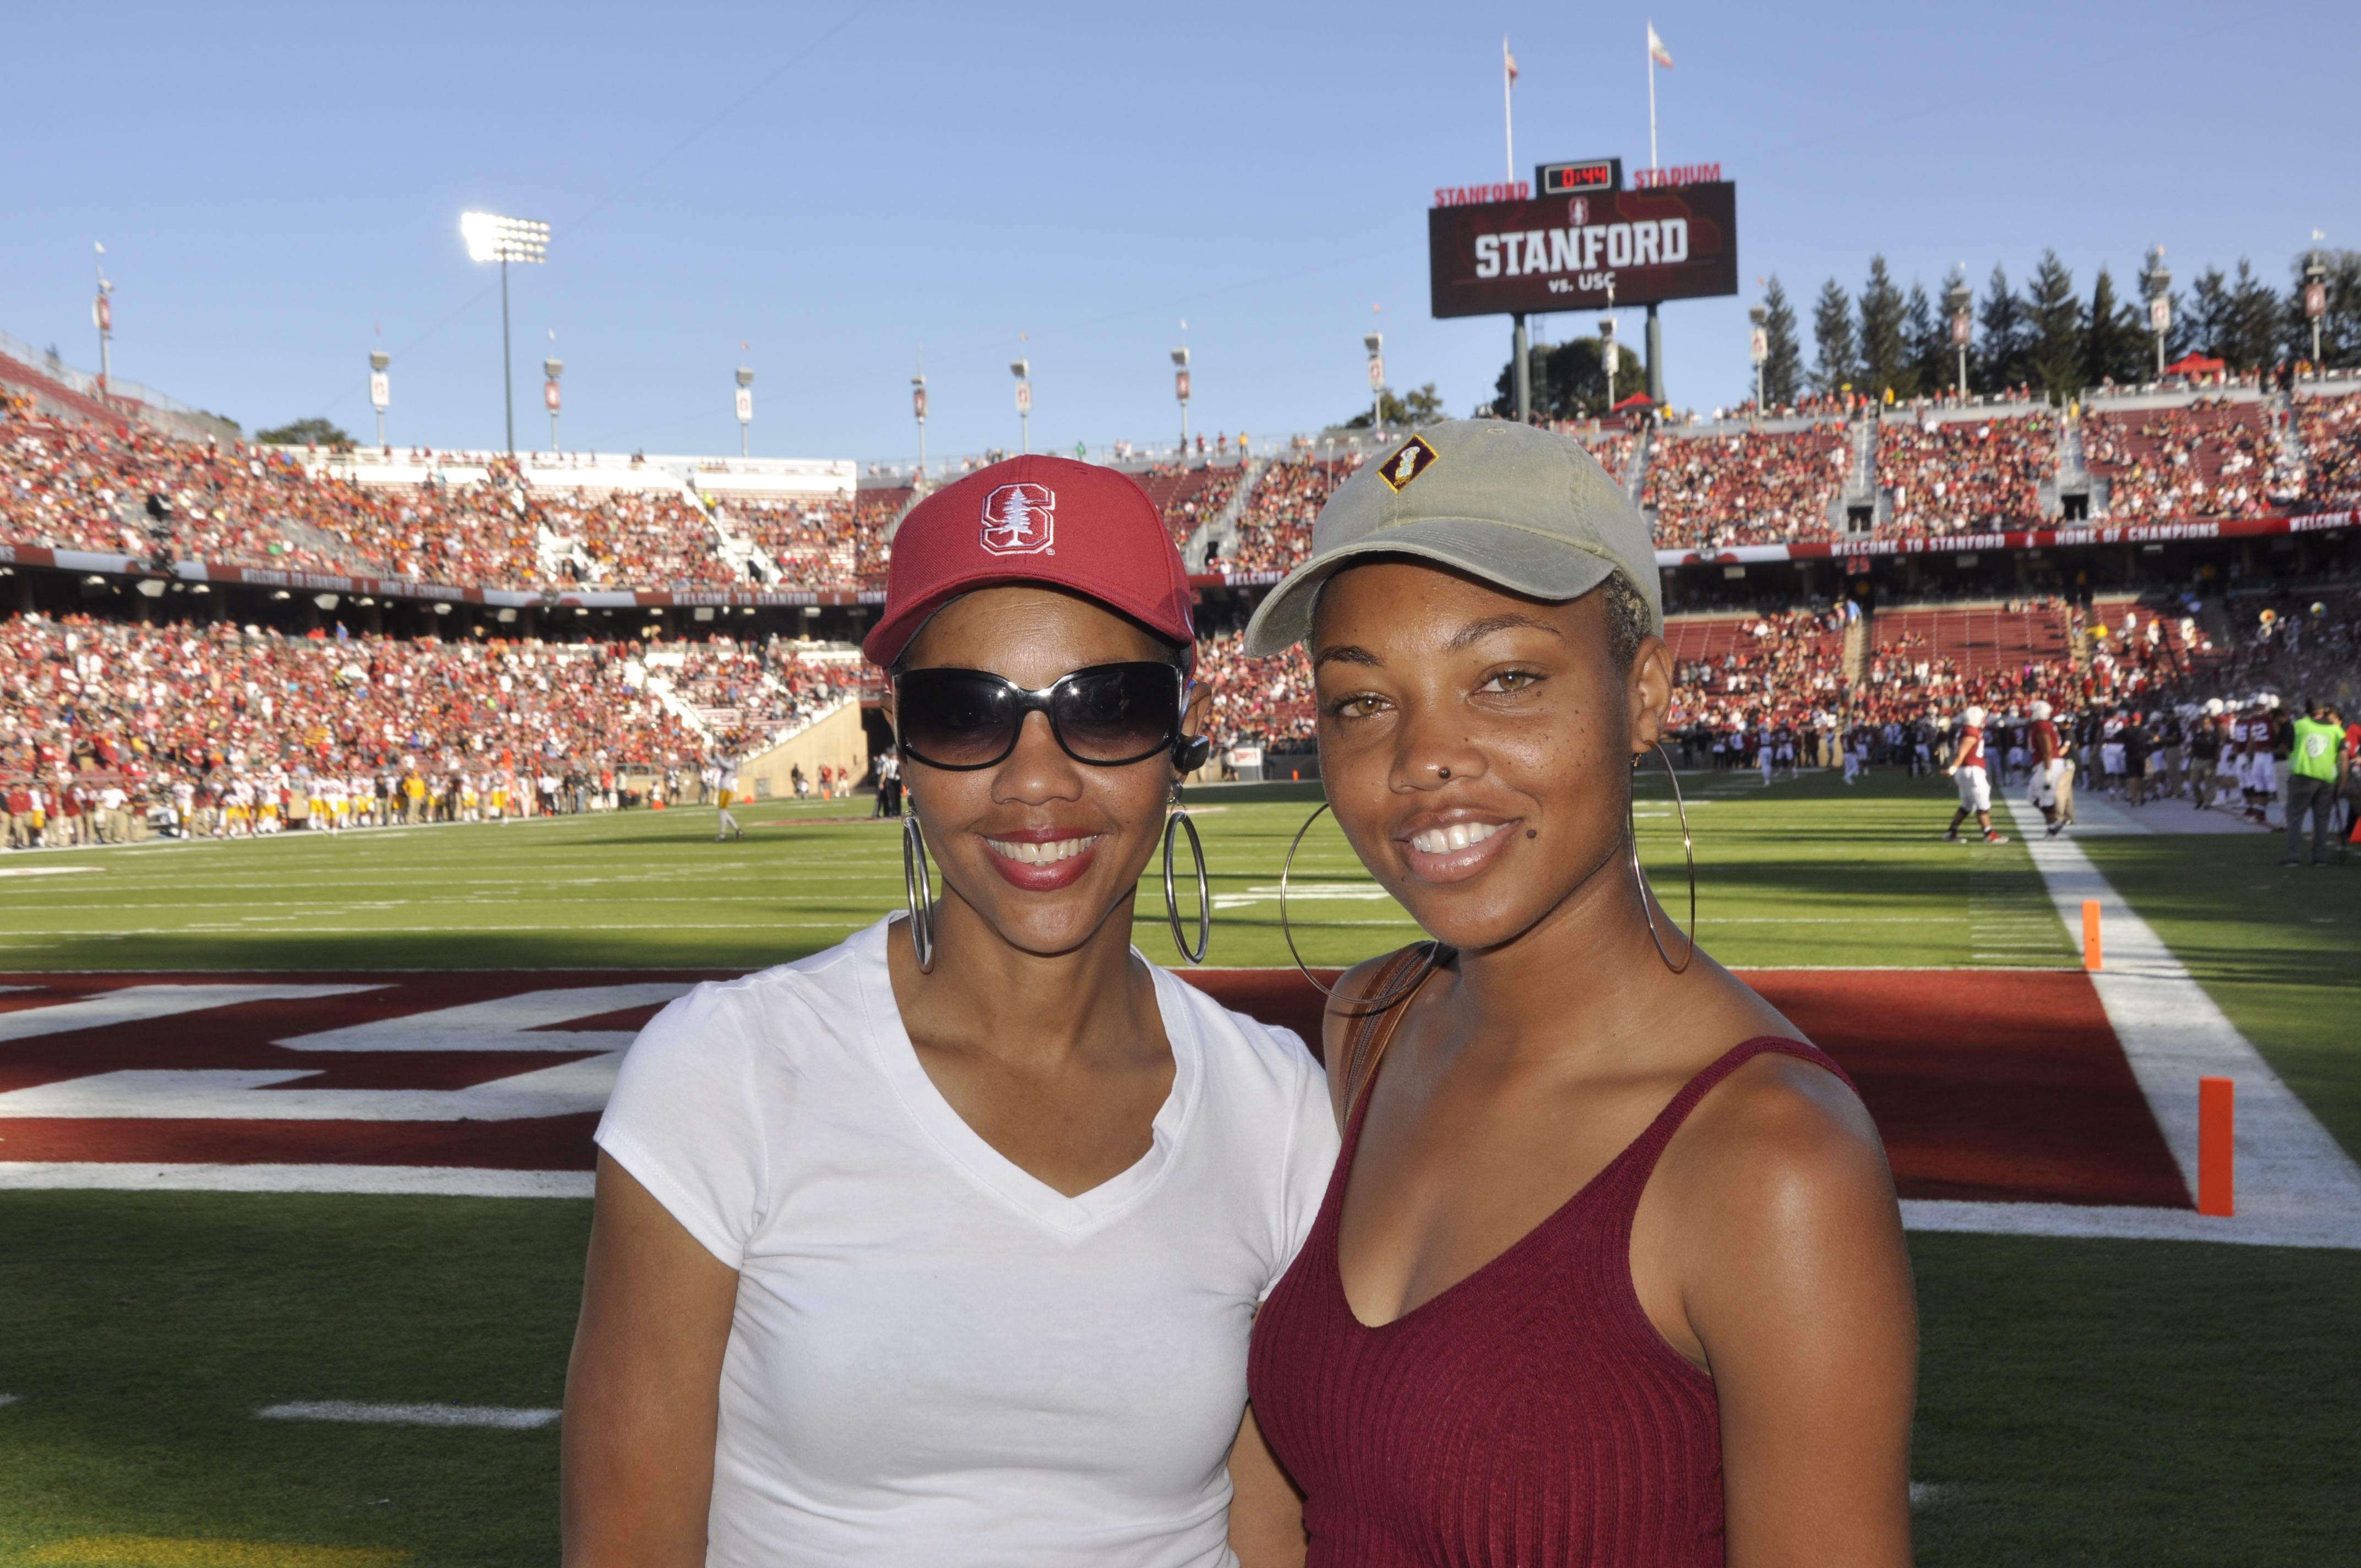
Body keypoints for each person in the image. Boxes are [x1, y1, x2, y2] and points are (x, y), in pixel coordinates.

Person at [564, 455, 1336, 1567]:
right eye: (965, 714)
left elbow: (1268, 1531)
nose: (1035, 779)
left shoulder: (1273, 1106)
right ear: (899, 746)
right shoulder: (726, 1070)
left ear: (1187, 729)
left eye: (1106, 708)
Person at [1238, 422, 1914, 1568]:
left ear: (1643, 690)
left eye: (1503, 678)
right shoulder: (1369, 1022)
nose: (1423, 756)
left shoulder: (1773, 1162)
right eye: (1362, 701)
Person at [2280, 698, 2349, 868]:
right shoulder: (2336, 730)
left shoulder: (2299, 726)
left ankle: (2293, 857)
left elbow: (2287, 748)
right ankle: (2320, 858)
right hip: (2327, 779)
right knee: (2322, 818)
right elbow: (2344, 758)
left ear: (2308, 711)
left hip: (2303, 776)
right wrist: (2343, 781)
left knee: (2295, 817)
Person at [1944, 705, 2009, 844]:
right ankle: (1989, 834)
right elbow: (1962, 753)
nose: (1983, 721)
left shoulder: (1967, 730)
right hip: (1972, 771)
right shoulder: (1970, 732)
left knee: (1967, 806)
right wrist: (1952, 769)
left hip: (1967, 770)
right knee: (1983, 805)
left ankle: (1951, 832)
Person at [712, 755, 744, 841]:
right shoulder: (727, 761)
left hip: (727, 789)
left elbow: (723, 763)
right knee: (723, 813)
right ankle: (738, 831)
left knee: (722, 812)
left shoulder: (732, 763)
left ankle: (723, 834)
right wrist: (702, 753)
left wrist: (716, 754)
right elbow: (712, 763)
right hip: (723, 789)